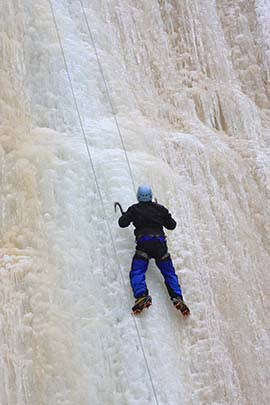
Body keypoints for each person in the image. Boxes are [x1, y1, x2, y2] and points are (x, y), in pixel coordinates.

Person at [118, 185, 190, 316]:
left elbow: (122, 223)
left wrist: (127, 216)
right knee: (169, 273)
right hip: (160, 245)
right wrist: (162, 215)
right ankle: (177, 297)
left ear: (138, 196)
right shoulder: (160, 209)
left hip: (144, 244)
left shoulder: (134, 209)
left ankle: (142, 295)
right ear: (151, 195)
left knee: (137, 271)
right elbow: (172, 225)